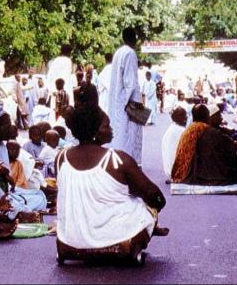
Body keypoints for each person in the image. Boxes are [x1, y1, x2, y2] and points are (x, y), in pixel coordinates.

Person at [55, 105, 167, 264]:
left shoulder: (61, 158)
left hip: (71, 239)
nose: (111, 129)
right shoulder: (118, 159)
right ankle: (129, 243)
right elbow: (155, 195)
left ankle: (76, 247)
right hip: (118, 236)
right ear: (95, 131)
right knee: (148, 205)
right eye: (106, 125)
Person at [171, 104, 237, 186]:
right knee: (229, 149)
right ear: (207, 116)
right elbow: (227, 143)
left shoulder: (189, 129)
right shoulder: (206, 129)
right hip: (195, 173)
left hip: (183, 171)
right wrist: (234, 144)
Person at [108, 27, 144, 166]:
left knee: (120, 132)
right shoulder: (130, 53)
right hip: (129, 101)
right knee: (130, 135)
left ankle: (120, 162)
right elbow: (130, 82)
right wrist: (133, 103)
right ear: (134, 38)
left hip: (119, 100)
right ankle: (129, 165)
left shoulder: (119, 52)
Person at [160, 107, 187, 180]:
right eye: (185, 116)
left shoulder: (172, 128)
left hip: (169, 171)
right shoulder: (181, 130)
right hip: (177, 171)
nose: (186, 118)